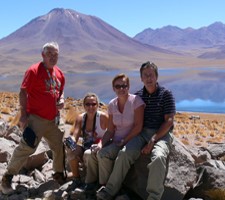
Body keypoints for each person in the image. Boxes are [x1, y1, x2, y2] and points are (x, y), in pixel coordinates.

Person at [96, 61, 176, 200]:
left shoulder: (166, 94)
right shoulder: (139, 96)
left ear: (156, 76)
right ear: (141, 78)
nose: (149, 78)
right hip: (142, 133)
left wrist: (153, 139)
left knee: (158, 158)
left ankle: (153, 197)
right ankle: (110, 191)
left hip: (161, 134)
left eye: (151, 75)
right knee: (124, 154)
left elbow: (169, 121)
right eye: (145, 75)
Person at [0, 42, 66, 195]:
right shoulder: (34, 71)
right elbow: (23, 92)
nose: (53, 57)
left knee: (58, 146)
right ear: (43, 55)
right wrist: (23, 115)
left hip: (54, 119)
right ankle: (7, 178)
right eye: (49, 54)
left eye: (56, 54)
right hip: (36, 118)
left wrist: (61, 100)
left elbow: (60, 91)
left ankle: (58, 175)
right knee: (27, 147)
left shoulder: (60, 73)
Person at [85, 73, 145, 195]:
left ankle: (108, 189)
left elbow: (138, 126)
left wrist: (125, 140)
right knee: (98, 153)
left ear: (128, 86)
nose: (121, 89)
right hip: (117, 141)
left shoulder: (136, 101)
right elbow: (110, 130)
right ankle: (99, 185)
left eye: (124, 86)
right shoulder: (112, 104)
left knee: (111, 155)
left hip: (132, 140)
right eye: (118, 86)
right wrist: (101, 144)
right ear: (113, 88)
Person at [65, 92, 108, 188]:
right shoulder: (81, 118)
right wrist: (70, 141)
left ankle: (93, 181)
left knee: (88, 154)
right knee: (70, 150)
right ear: (84, 105)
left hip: (100, 149)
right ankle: (76, 178)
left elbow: (111, 133)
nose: (91, 107)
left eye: (93, 104)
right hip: (86, 148)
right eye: (88, 104)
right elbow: (75, 135)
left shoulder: (103, 117)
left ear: (97, 105)